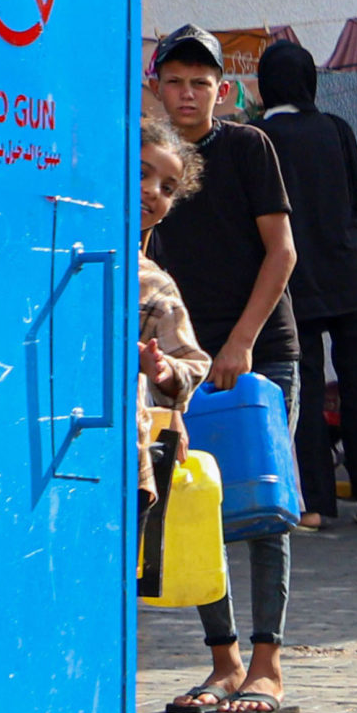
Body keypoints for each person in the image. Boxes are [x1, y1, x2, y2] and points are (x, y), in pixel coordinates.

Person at [146, 25, 303, 713]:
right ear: (156, 86)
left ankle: (267, 663)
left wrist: (239, 343)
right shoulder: (150, 159)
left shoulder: (248, 147)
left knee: (262, 505)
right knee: (197, 502)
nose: (188, 93)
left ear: (222, 90)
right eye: (176, 80)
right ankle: (223, 660)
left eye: (201, 82)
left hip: (255, 355)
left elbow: (283, 253)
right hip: (177, 362)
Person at [253, 40, 357, 531]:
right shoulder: (337, 129)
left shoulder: (257, 137)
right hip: (352, 276)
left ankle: (312, 505)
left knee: (306, 391)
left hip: (294, 282)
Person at [137, 115, 213, 622]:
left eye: (166, 187)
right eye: (142, 173)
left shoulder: (154, 285)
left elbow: (192, 362)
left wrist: (164, 374)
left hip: (122, 452)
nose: (151, 192)